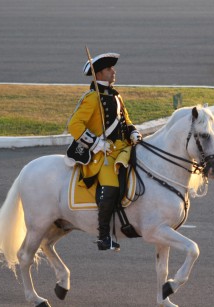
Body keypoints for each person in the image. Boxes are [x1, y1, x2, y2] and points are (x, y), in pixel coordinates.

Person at [66, 52, 142, 251]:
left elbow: (126, 120)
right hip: (102, 156)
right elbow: (74, 125)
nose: (113, 72)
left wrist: (133, 132)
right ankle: (103, 236)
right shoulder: (92, 98)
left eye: (112, 68)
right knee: (111, 187)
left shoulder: (116, 96)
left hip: (122, 149)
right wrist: (96, 143)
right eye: (109, 69)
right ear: (98, 73)